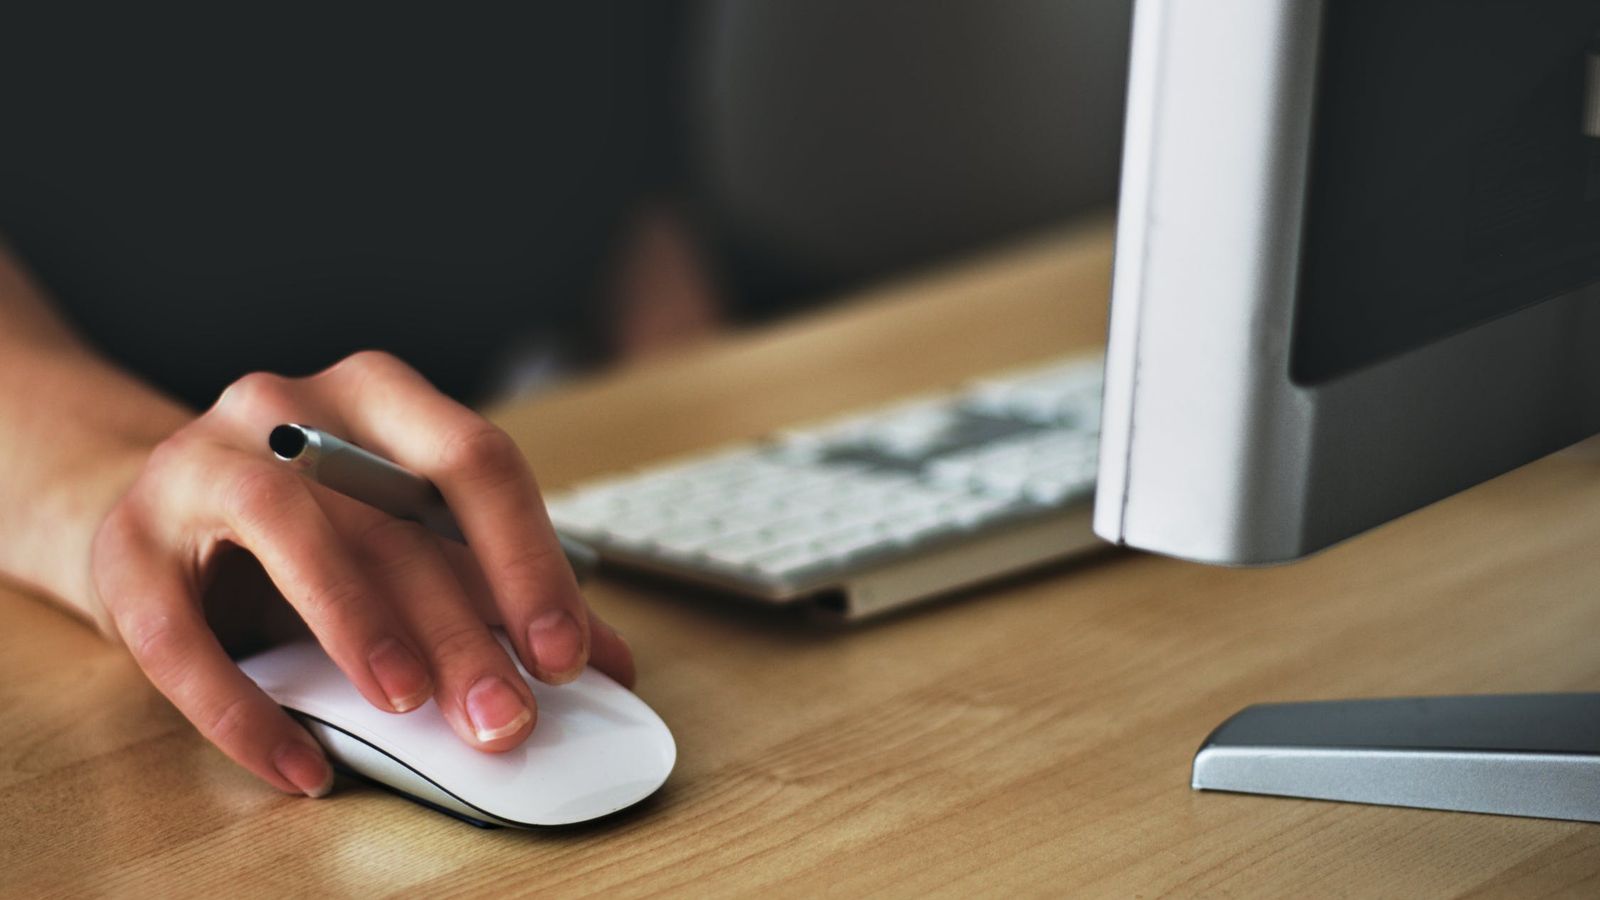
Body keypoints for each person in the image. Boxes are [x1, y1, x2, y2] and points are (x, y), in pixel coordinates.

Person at [0, 6, 706, 800]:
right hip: (127, 429)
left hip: (489, 465)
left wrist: (702, 465)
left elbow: (641, 201)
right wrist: (115, 488)